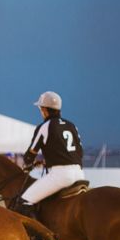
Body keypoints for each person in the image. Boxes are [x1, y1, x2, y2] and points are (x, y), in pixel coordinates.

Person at [12, 91, 84, 219]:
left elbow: (30, 155)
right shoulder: (71, 125)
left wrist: (29, 164)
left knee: (24, 201)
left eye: (40, 109)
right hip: (79, 174)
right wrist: (50, 160)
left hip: (60, 176)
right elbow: (79, 152)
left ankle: (37, 237)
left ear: (44, 110)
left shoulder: (45, 127)